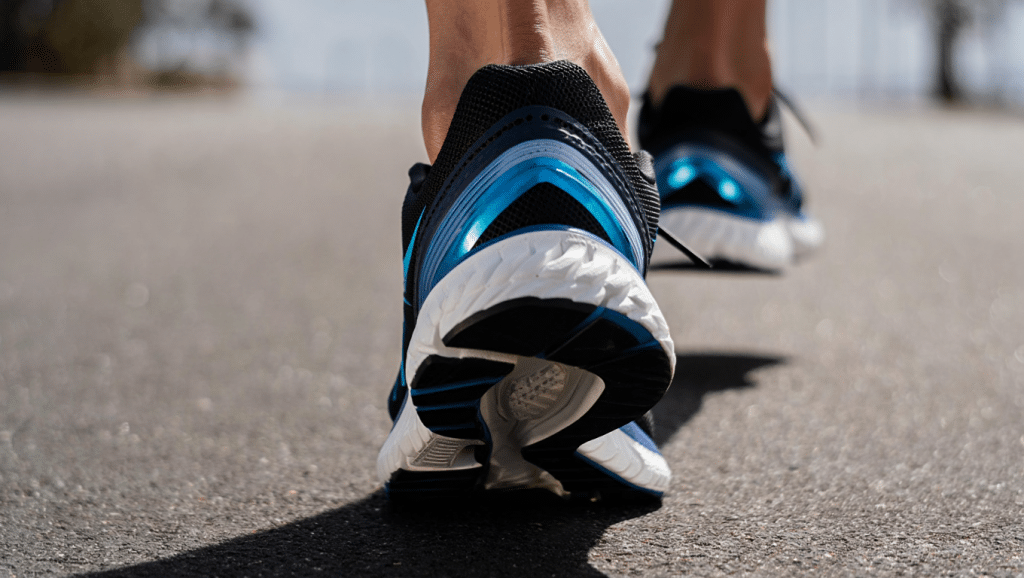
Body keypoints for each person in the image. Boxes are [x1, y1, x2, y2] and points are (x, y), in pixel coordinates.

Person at [377, 0, 822, 501]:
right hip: (598, 179)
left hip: (477, 200)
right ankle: (716, 99)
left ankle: (490, 141)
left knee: (499, 58)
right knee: (705, 76)